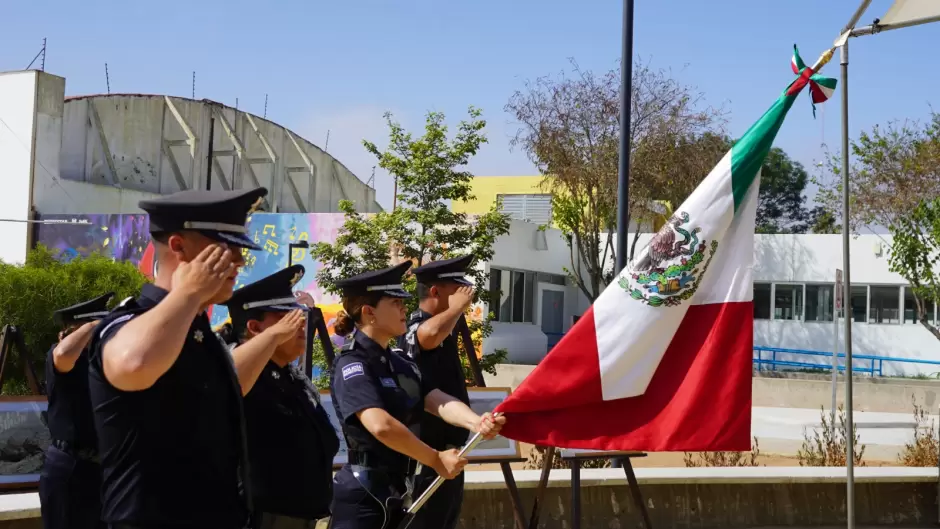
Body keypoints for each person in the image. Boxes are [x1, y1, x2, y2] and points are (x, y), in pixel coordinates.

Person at [86, 187, 268, 529]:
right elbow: (133, 365)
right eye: (225, 249)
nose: (240, 261)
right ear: (178, 246)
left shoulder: (197, 331)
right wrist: (187, 293)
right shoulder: (131, 322)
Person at [328, 261, 506, 529]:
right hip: (364, 493)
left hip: (397, 489)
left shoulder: (399, 362)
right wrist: (435, 458)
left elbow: (437, 400)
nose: (403, 308)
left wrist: (476, 422)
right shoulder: (353, 363)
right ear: (369, 312)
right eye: (394, 302)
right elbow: (381, 426)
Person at [225, 264, 340, 529]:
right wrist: (274, 336)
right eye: (286, 318)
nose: (299, 324)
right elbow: (228, 384)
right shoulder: (247, 373)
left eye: (299, 316)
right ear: (254, 327)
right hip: (257, 518)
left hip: (302, 516)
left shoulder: (292, 377)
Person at [396, 255, 475, 529]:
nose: (465, 295)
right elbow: (425, 336)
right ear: (435, 291)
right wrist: (455, 310)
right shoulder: (418, 325)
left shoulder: (445, 330)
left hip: (450, 454)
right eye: (458, 289)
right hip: (426, 456)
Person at [40, 292, 114, 529]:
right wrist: (95, 324)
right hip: (70, 468)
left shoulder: (104, 361)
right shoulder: (61, 356)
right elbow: (63, 354)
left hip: (103, 471)